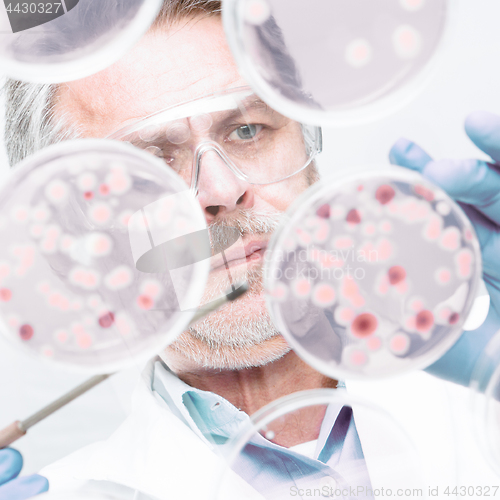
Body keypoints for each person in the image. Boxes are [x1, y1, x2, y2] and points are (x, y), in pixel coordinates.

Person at [1, 1, 500, 498]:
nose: (221, 189)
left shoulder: (482, 392)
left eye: (247, 131)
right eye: (151, 163)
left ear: (307, 151)